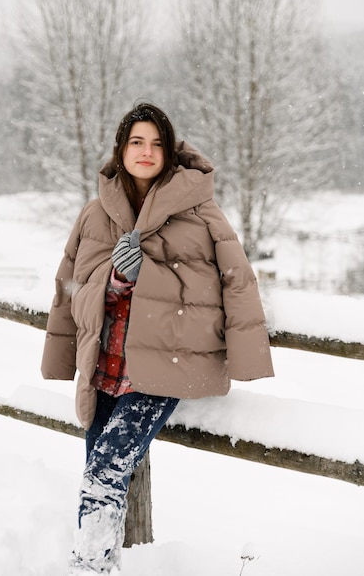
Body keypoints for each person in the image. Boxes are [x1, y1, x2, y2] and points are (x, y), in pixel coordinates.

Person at [41, 102, 274, 575]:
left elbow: (230, 281)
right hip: (106, 365)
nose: (146, 152)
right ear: (121, 150)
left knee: (105, 471)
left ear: (169, 152)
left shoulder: (201, 213)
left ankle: (87, 568)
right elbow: (70, 288)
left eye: (157, 143)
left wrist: (147, 276)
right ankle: (101, 564)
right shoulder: (94, 214)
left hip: (163, 370)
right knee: (97, 477)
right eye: (136, 142)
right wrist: (114, 283)